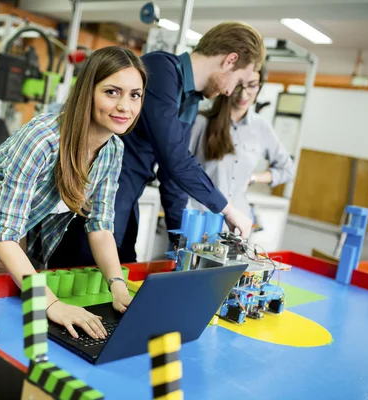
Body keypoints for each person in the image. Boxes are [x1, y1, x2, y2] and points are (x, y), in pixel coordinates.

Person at [0, 46, 148, 340]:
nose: (125, 107)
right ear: (87, 92)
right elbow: (4, 234)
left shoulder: (113, 149)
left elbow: (101, 225)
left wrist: (117, 286)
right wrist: (52, 303)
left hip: (12, 245)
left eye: (134, 95)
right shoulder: (43, 139)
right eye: (112, 92)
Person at [48, 21, 266, 267]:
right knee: (81, 274)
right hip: (94, 197)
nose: (230, 92)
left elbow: (172, 176)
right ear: (229, 60)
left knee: (125, 269)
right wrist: (227, 209)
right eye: (237, 81)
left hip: (126, 200)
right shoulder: (160, 70)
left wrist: (181, 243)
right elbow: (174, 156)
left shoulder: (191, 101)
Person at [187, 65, 295, 221]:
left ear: (259, 87)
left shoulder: (261, 127)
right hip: (200, 219)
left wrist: (253, 178)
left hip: (237, 222)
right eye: (239, 85)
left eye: (252, 85)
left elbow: (287, 169)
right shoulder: (202, 120)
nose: (244, 94)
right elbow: (178, 168)